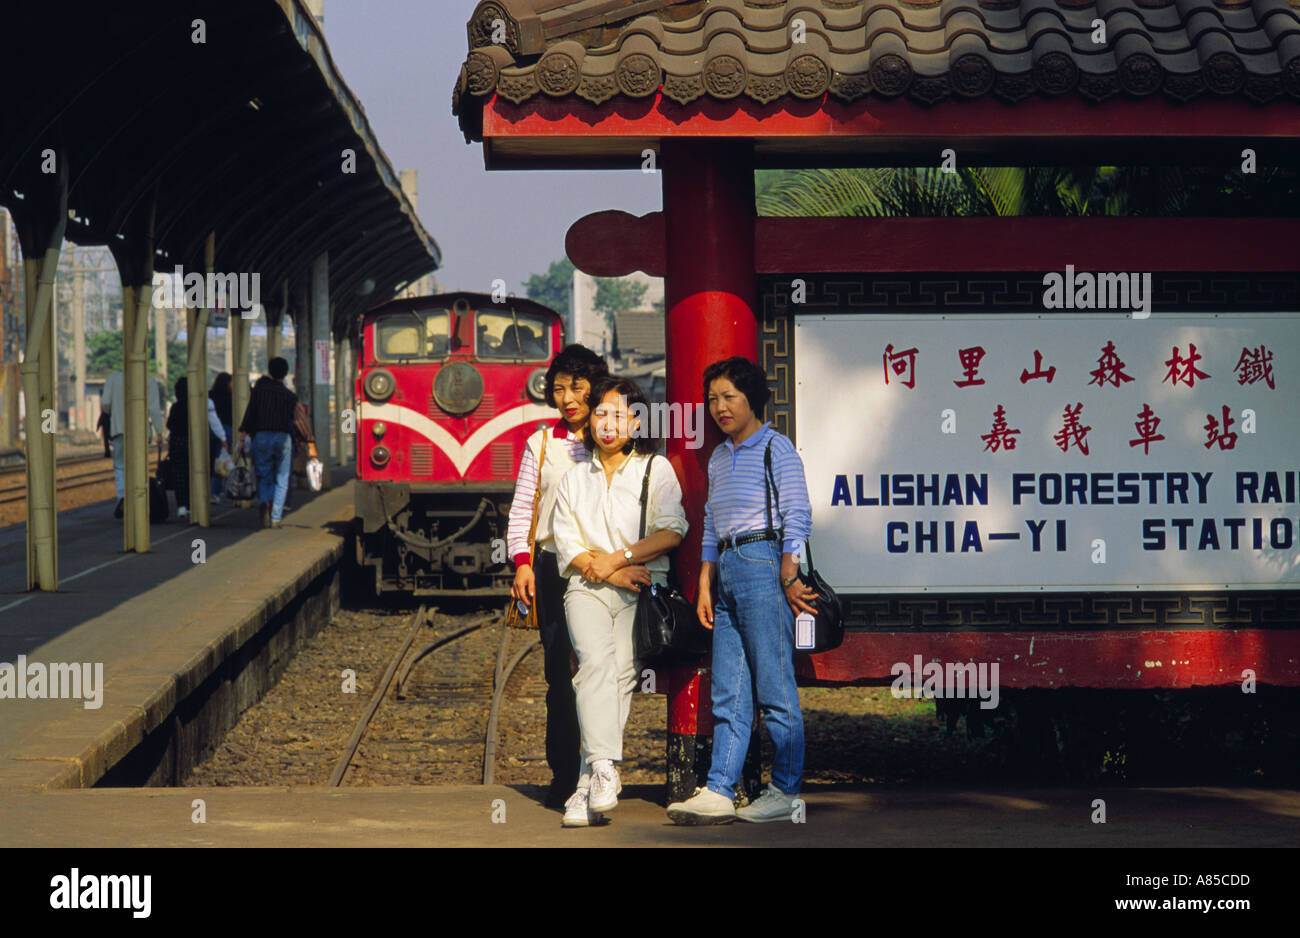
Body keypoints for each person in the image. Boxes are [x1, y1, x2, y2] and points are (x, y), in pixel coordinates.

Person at [666, 356, 817, 825]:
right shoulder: (719, 456)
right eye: (712, 399)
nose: (719, 407)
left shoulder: (776, 448)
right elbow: (711, 524)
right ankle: (719, 789)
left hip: (763, 563)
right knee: (729, 690)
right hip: (728, 567)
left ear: (753, 397)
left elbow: (798, 513)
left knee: (774, 685)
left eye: (729, 396)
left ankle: (786, 792)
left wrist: (789, 573)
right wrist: (706, 583)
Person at [551, 376, 688, 828]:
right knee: (593, 665)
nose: (608, 424)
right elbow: (567, 543)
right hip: (587, 589)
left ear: (636, 421)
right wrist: (608, 569)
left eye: (619, 415)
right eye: (600, 414)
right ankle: (605, 768)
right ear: (589, 422)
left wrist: (619, 559)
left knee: (621, 673)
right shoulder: (574, 478)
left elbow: (672, 530)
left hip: (640, 590)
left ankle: (586, 783)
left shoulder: (655, 469)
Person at [506, 345, 608, 811]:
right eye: (560, 387)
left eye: (578, 386)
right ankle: (565, 776)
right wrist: (522, 562)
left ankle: (599, 772)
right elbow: (524, 505)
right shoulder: (540, 443)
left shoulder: (612, 437)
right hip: (551, 568)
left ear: (595, 387)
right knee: (558, 676)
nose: (567, 397)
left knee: (599, 674)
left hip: (602, 568)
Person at [238, 357, 316, 528]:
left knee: (263, 474)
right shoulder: (289, 396)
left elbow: (249, 415)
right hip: (282, 438)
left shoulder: (258, 392)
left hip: (261, 437)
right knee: (282, 477)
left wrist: (243, 438)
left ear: (270, 371)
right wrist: (309, 442)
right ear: (285, 373)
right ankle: (275, 517)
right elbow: (300, 420)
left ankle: (264, 500)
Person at [100, 370, 165, 518]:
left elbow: (105, 403)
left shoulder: (112, 379)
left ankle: (123, 495)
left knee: (120, 464)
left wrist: (113, 413)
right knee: (140, 465)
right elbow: (154, 409)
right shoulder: (149, 380)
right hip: (140, 432)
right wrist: (159, 432)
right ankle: (140, 499)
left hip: (118, 429)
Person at [209, 373, 234, 503]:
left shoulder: (210, 395)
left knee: (211, 460)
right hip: (226, 430)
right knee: (220, 462)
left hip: (210, 430)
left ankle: (212, 491)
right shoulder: (230, 397)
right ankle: (214, 492)